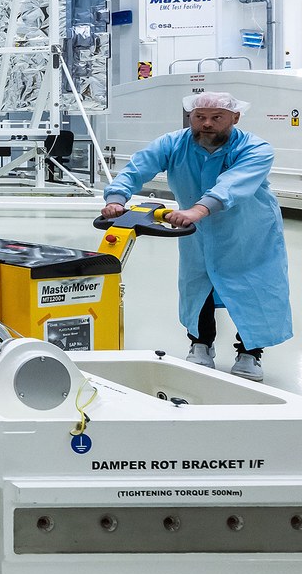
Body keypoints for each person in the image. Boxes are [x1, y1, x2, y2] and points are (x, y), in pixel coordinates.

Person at [100, 90, 290, 381]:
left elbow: (232, 184)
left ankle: (250, 354)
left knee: (254, 289)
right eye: (199, 117)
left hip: (248, 232)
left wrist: (197, 210)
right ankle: (201, 345)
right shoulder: (173, 143)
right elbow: (138, 167)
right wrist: (116, 197)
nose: (207, 124)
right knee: (197, 285)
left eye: (217, 118)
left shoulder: (256, 148)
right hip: (196, 231)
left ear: (234, 118)